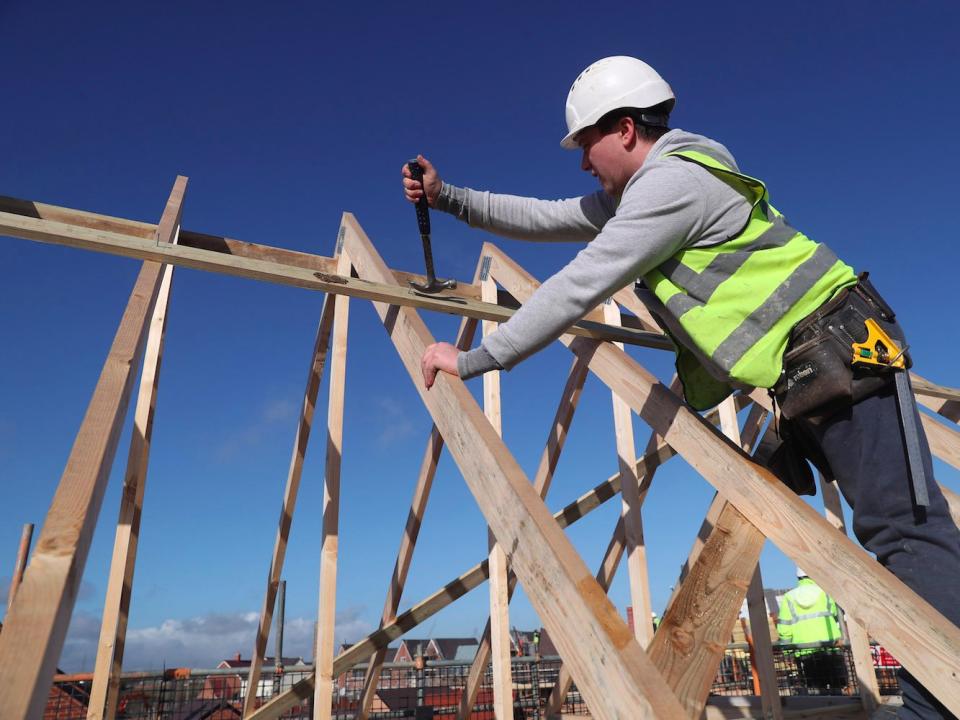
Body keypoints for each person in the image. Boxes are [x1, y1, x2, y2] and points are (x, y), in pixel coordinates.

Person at [403, 56, 960, 720]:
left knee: (908, 534)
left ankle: (941, 705)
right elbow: (548, 218)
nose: (583, 163)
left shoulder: (670, 189)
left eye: (587, 145)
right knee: (894, 533)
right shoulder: (648, 190)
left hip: (844, 355)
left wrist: (474, 358)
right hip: (812, 371)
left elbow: (579, 284)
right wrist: (450, 198)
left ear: (628, 129)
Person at [777, 567, 847, 694]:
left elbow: (784, 627)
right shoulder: (826, 593)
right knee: (837, 687)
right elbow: (838, 616)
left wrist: (787, 650)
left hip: (804, 650)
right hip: (830, 647)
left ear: (798, 578)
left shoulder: (789, 597)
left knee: (814, 688)